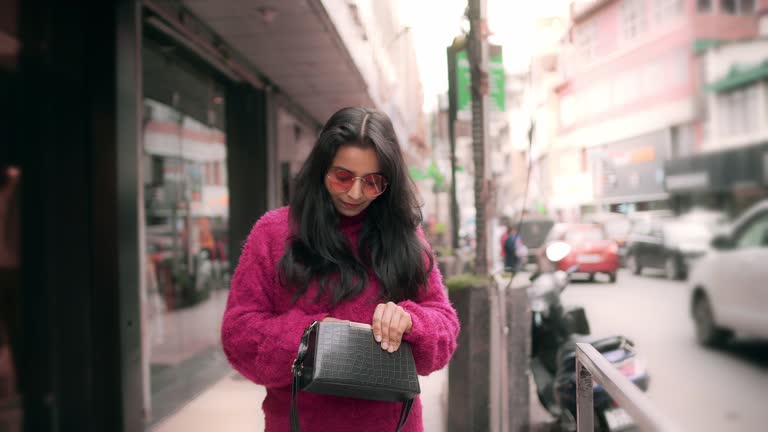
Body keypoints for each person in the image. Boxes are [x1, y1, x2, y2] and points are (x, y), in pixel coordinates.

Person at [221, 107, 460, 432]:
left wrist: (412, 322)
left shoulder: (405, 238)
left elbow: (445, 330)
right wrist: (312, 337)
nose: (355, 192)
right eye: (342, 176)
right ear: (321, 169)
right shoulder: (274, 233)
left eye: (372, 182)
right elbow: (238, 336)